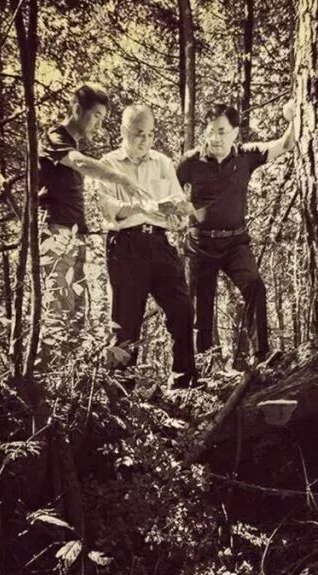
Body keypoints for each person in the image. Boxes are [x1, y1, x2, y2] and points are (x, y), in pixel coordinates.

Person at [176, 100, 295, 366]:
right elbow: (168, 189)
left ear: (235, 132)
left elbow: (286, 144)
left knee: (255, 286)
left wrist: (294, 114)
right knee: (201, 309)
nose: (215, 138)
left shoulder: (246, 156)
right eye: (210, 131)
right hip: (199, 245)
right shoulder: (190, 162)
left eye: (221, 131)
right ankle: (204, 365)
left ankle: (260, 357)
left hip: (235, 243)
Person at [38, 82, 147, 356]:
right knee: (57, 312)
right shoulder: (55, 138)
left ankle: (68, 379)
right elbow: (81, 162)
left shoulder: (69, 143)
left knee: (75, 313)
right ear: (77, 108)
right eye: (96, 115)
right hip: (56, 234)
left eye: (102, 118)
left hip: (74, 236)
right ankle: (45, 377)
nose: (99, 124)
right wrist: (122, 178)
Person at [97, 104, 197, 389]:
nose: (146, 140)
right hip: (125, 246)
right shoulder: (108, 163)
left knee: (182, 310)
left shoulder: (162, 162)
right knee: (126, 322)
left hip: (159, 242)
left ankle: (183, 382)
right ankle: (121, 393)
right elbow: (107, 208)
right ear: (123, 131)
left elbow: (177, 203)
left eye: (151, 134)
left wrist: (178, 215)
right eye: (139, 133)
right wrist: (143, 207)